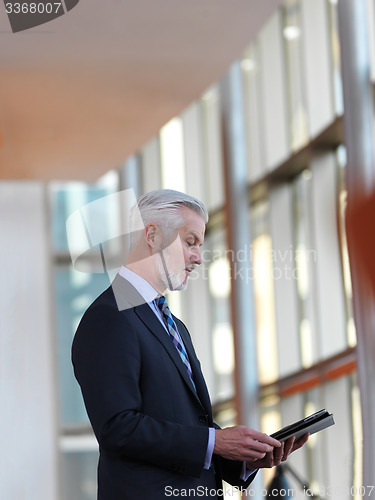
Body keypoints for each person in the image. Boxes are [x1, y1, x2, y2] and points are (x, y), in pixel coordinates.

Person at [72, 189, 308, 500]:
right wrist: (216, 442)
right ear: (153, 236)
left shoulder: (174, 326)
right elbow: (118, 427)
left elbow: (182, 421)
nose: (198, 257)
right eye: (190, 242)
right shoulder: (108, 317)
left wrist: (241, 457)